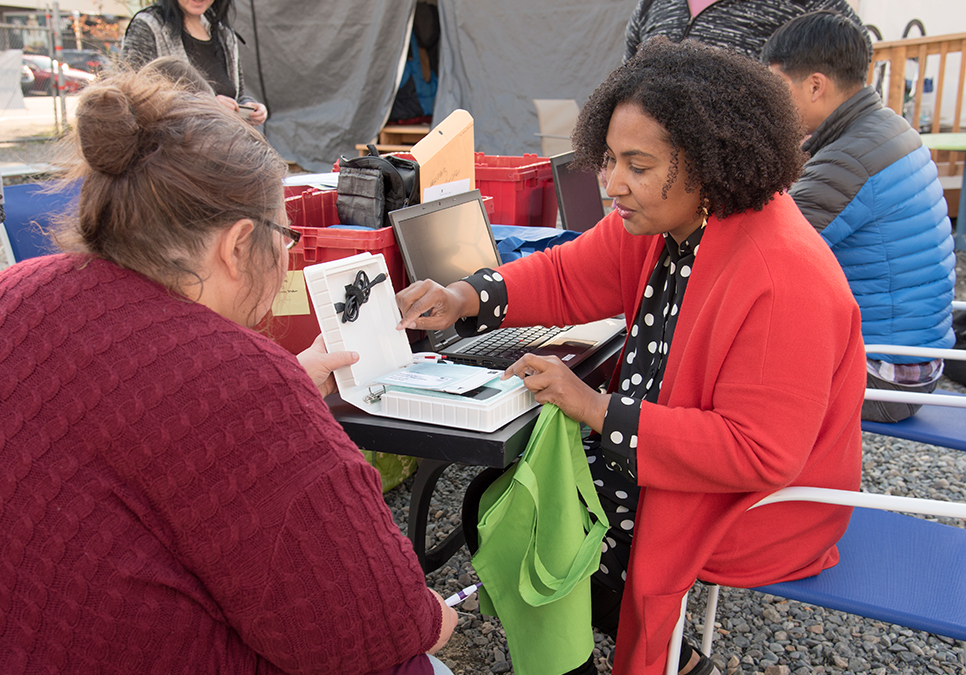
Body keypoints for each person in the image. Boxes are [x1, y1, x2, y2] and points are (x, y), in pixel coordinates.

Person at [397, 37, 865, 675]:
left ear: (710, 162)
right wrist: (464, 296)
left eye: (638, 167)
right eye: (609, 160)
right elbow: (565, 275)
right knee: (506, 500)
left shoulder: (784, 277)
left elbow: (760, 453)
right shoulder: (676, 223)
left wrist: (594, 407)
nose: (613, 184)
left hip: (758, 505)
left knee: (525, 514)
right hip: (672, 455)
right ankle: (651, 659)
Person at [0, 69, 456, 675]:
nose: (289, 249)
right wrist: (434, 615)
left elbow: (136, 413)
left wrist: (286, 385)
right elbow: (374, 628)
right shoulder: (236, 379)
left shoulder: (16, 291)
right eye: (285, 234)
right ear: (239, 245)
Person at [761, 10, 956, 424]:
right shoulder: (886, 128)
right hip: (918, 358)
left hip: (886, 376)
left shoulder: (851, 160)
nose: (772, 105)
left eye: (778, 89)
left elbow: (760, 247)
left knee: (737, 366)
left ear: (816, 85)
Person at [120, 0, 268, 125]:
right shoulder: (148, 26)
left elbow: (236, 93)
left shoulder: (223, 33)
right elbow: (131, 98)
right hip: (171, 153)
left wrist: (248, 107)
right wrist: (205, 105)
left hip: (223, 149)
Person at [624, 0, 867, 63]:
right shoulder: (653, 5)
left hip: (743, 170)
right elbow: (626, 77)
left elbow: (856, 43)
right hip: (655, 166)